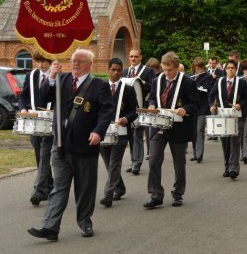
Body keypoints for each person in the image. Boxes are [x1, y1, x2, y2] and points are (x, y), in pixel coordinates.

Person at [28, 49, 114, 241]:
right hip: (60, 144)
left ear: (90, 65)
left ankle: (85, 222)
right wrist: (51, 77)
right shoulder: (62, 79)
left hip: (85, 145)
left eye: (80, 61)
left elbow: (107, 111)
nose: (75, 64)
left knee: (84, 188)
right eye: (73, 60)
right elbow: (44, 98)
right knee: (59, 187)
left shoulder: (99, 85)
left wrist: (99, 131)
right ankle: (49, 227)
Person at [143, 52, 199, 209]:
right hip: (158, 125)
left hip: (178, 127)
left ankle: (178, 193)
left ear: (177, 67)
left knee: (179, 163)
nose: (167, 73)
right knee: (154, 160)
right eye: (164, 69)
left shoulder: (188, 82)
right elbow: (153, 97)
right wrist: (152, 104)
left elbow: (195, 105)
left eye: (170, 70)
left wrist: (184, 108)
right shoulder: (156, 80)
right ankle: (155, 194)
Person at [99, 58, 138, 208]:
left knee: (114, 164)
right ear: (108, 70)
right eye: (113, 69)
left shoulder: (127, 89)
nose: (116, 73)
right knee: (109, 164)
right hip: (103, 132)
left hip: (121, 133)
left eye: (119, 70)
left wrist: (125, 119)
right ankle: (120, 188)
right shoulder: (101, 88)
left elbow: (134, 111)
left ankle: (108, 195)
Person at [18, 51, 53, 206]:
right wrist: (23, 108)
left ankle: (38, 191)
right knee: (40, 157)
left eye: (43, 62)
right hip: (33, 123)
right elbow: (22, 96)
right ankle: (50, 185)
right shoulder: (31, 75)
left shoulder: (57, 76)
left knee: (45, 156)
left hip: (50, 123)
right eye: (37, 62)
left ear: (50, 60)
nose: (40, 65)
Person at [209, 59, 247, 180]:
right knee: (225, 143)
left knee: (235, 142)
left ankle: (234, 169)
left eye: (233, 68)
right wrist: (211, 105)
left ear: (236, 70)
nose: (230, 70)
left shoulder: (241, 82)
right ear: (225, 69)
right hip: (222, 116)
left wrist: (240, 104)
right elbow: (211, 94)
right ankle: (227, 167)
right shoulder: (219, 81)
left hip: (236, 116)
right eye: (228, 68)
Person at [124, 48, 155, 175]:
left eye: (136, 56)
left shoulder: (148, 71)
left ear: (141, 57)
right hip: (128, 109)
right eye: (131, 56)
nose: (133, 59)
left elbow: (153, 88)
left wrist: (142, 83)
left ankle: (137, 163)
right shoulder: (125, 72)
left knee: (137, 134)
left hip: (142, 106)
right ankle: (133, 161)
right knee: (131, 136)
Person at [189, 57, 213, 163]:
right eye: (197, 68)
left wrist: (196, 87)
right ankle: (195, 152)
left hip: (203, 107)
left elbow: (207, 89)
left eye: (201, 68)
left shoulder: (207, 76)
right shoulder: (189, 76)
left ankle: (199, 154)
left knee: (199, 130)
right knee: (193, 130)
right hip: (192, 107)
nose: (199, 70)